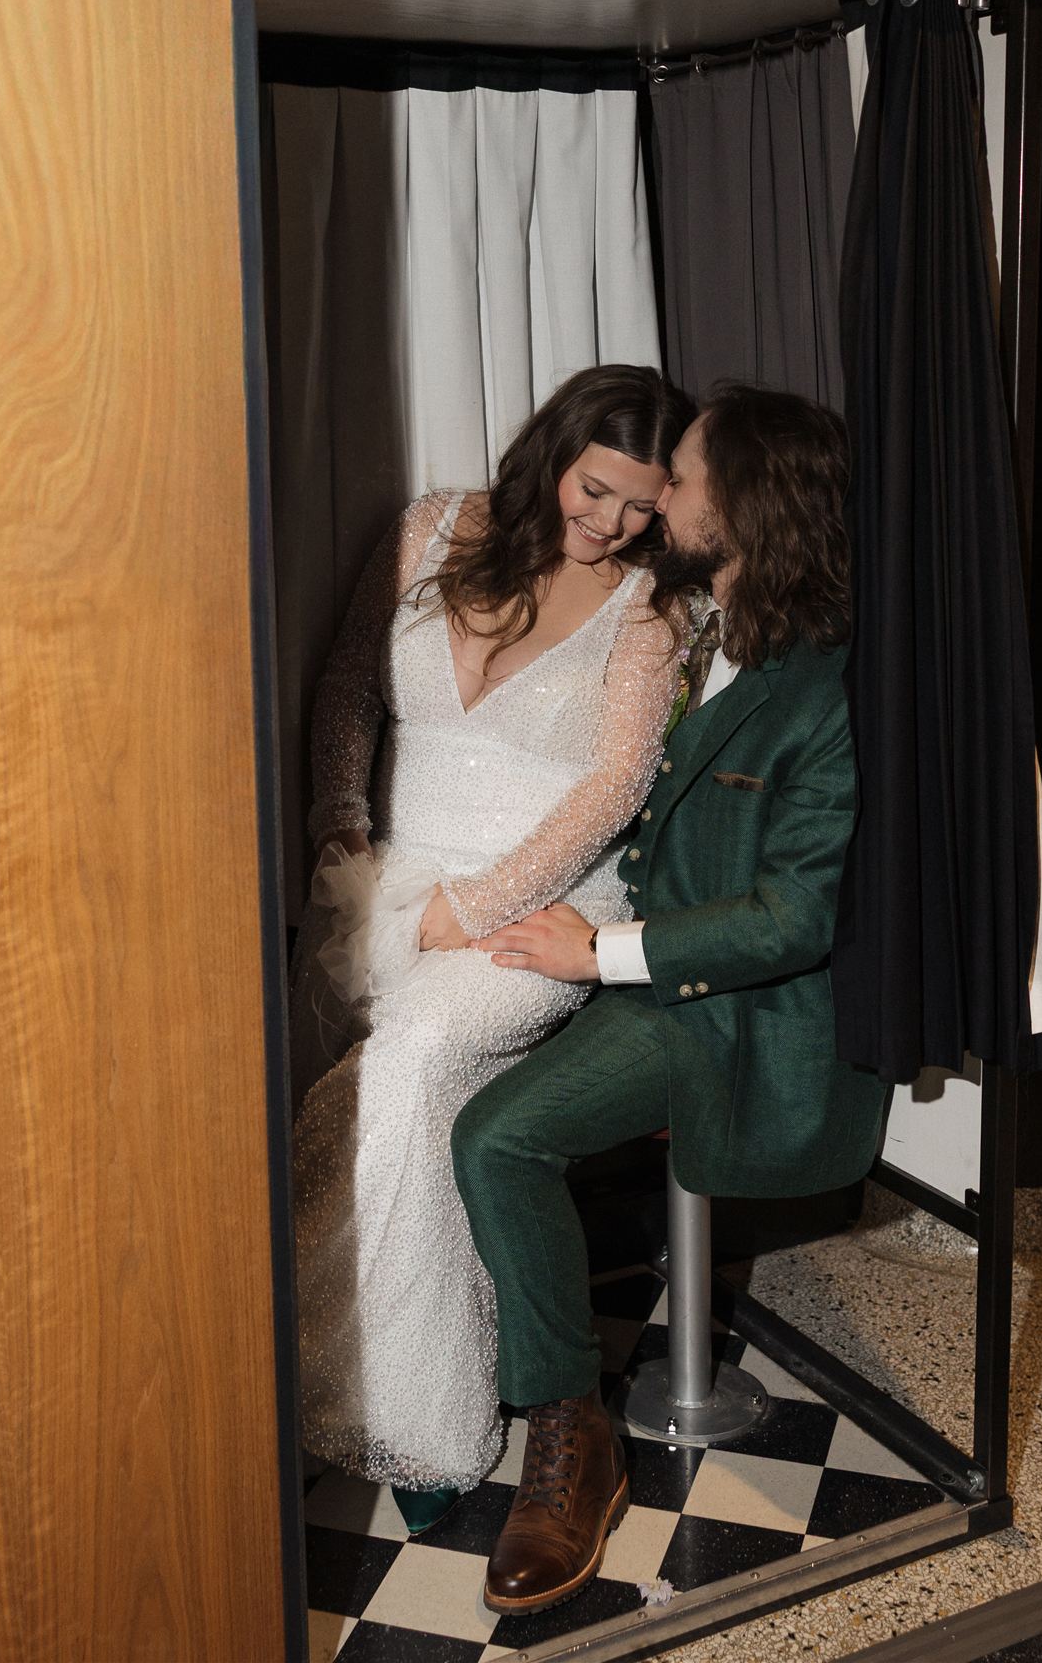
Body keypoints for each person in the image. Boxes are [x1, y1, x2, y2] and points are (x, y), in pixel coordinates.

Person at [451, 383, 891, 1617]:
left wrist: (599, 952)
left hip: (738, 1018)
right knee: (470, 1101)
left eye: (682, 479)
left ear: (742, 502)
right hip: (651, 973)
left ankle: (567, 1435)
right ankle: (535, 1398)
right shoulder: (700, 621)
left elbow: (795, 916)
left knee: (497, 1137)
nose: (656, 504)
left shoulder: (828, 687)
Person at [291, 364, 695, 1536]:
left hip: (538, 902)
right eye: (596, 488)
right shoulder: (430, 527)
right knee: (356, 1083)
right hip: (379, 877)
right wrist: (340, 827)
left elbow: (616, 784)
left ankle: (426, 1423)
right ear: (553, 451)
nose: (611, 523)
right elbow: (348, 689)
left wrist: (472, 906)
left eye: (642, 505)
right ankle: (326, 1368)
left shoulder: (648, 605)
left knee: (413, 1055)